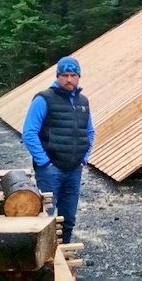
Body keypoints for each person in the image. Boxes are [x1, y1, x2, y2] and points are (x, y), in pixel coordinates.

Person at [22, 56, 94, 243]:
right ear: (58, 76)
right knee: (46, 217)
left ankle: (63, 251)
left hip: (74, 169)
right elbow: (29, 132)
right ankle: (45, 256)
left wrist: (84, 158)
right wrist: (44, 162)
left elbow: (89, 131)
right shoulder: (44, 99)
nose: (69, 79)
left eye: (73, 75)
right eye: (64, 75)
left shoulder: (83, 102)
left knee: (68, 218)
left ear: (78, 77)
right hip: (50, 170)